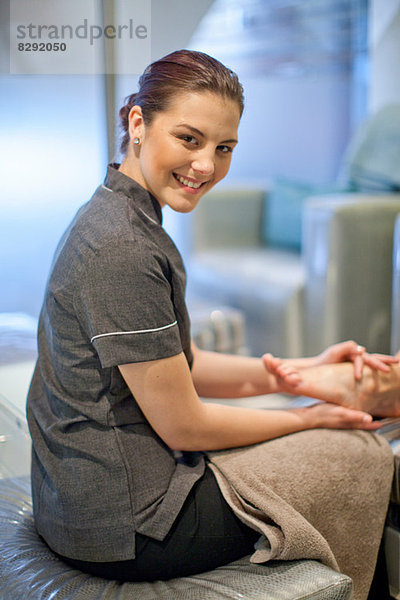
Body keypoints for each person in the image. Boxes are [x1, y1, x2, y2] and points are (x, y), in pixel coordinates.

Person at [26, 49, 398, 587]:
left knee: (334, 427)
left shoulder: (116, 211)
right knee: (359, 450)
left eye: (223, 148)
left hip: (83, 503)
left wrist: (295, 370)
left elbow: (182, 366)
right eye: (189, 139)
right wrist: (309, 415)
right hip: (131, 527)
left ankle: (357, 385)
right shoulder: (121, 246)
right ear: (138, 123)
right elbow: (186, 425)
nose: (207, 165)